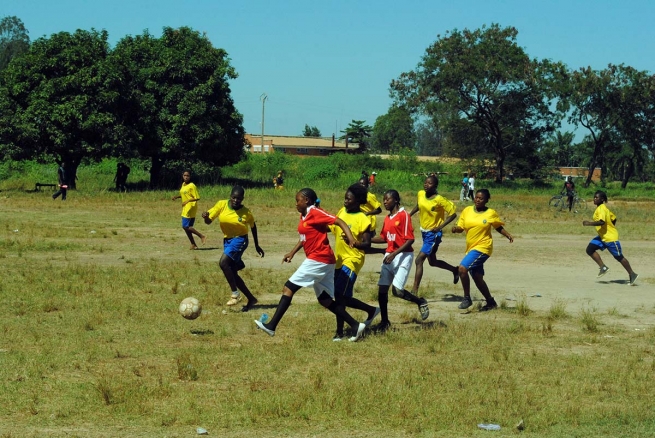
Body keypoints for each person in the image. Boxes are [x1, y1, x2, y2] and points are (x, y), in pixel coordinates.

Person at [254, 188, 366, 342]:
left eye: (297, 200)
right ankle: (355, 325)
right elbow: (303, 238)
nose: (295, 203)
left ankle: (272, 326)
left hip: (319, 259)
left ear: (306, 200)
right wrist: (292, 253)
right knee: (324, 300)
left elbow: (339, 221)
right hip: (322, 261)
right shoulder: (304, 215)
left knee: (288, 288)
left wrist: (351, 238)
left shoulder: (315, 212)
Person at [370, 189, 428, 333]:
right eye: (384, 199)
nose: (384, 202)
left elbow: (410, 240)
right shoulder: (387, 218)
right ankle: (385, 321)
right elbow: (384, 238)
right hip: (390, 256)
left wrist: (395, 254)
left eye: (387, 199)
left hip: (403, 256)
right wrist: (365, 240)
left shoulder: (404, 215)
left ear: (396, 200)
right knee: (382, 290)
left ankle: (420, 301)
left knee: (397, 291)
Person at [330, 183, 380, 341]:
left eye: (349, 199)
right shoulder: (341, 211)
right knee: (339, 297)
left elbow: (367, 244)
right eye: (345, 197)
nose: (345, 201)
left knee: (339, 294)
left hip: (353, 259)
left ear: (358, 201)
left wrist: (355, 242)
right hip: (338, 259)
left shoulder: (362, 218)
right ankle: (369, 312)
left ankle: (345, 329)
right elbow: (332, 228)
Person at [202, 186, 265, 311]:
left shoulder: (246, 212)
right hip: (227, 240)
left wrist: (257, 245)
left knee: (223, 263)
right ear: (230, 196)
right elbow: (208, 221)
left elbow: (253, 227)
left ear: (243, 199)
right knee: (231, 271)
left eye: (239, 198)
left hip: (240, 240)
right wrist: (205, 217)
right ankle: (251, 298)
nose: (236, 200)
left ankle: (235, 294)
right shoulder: (222, 204)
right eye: (234, 197)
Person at [452, 189, 514, 311]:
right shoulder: (467, 211)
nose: (478, 200)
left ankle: (466, 298)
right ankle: (491, 302)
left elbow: (497, 226)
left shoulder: (490, 213)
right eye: (476, 197)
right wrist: (456, 229)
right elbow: (461, 227)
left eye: (481, 198)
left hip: (483, 247)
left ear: (486, 200)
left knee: (462, 268)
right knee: (477, 277)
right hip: (471, 248)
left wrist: (507, 235)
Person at [408, 175, 459, 297]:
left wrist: (440, 226)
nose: (426, 185)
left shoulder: (440, 199)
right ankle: (454, 270)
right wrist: (408, 215)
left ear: (435, 186)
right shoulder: (421, 194)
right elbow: (419, 205)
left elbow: (453, 214)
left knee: (419, 260)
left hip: (433, 234)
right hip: (424, 232)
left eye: (429, 183)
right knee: (432, 262)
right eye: (425, 182)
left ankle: (414, 291)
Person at [582, 191, 638, 285]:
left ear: (602, 199)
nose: (594, 199)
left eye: (597, 197)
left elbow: (601, 222)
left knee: (619, 257)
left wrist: (589, 223)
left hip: (610, 238)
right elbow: (614, 218)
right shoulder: (603, 209)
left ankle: (632, 274)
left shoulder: (602, 209)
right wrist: (609, 227)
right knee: (590, 249)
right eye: (594, 197)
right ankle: (603, 267)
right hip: (602, 237)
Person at [171, 170, 206, 250]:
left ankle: (201, 236)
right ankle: (193, 244)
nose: (186, 177)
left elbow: (197, 197)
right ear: (182, 176)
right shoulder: (183, 184)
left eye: (188, 176)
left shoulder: (192, 185)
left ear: (190, 177)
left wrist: (187, 201)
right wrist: (177, 197)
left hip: (190, 207)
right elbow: (184, 194)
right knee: (188, 227)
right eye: (184, 175)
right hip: (185, 207)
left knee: (185, 226)